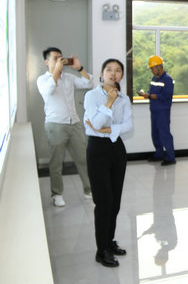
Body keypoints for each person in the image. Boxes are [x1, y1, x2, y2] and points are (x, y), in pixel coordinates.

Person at [83, 58, 132, 268]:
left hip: (117, 149)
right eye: (109, 70)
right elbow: (94, 124)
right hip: (97, 150)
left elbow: (128, 125)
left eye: (118, 70)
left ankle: (109, 241)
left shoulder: (125, 98)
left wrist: (109, 129)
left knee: (115, 201)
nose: (113, 73)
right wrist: (109, 102)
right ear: (102, 74)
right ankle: (101, 250)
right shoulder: (91, 96)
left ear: (121, 76)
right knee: (103, 202)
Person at [36, 47, 93, 207]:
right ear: (47, 62)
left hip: (74, 123)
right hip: (55, 125)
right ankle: (57, 194)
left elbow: (89, 83)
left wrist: (79, 68)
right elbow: (49, 90)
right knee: (56, 163)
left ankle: (88, 190)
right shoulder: (42, 79)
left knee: (82, 159)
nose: (60, 61)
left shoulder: (69, 77)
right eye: (55, 58)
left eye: (61, 58)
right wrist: (56, 71)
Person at [138, 55, 176, 166]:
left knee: (164, 134)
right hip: (154, 111)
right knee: (155, 134)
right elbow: (152, 93)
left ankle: (170, 157)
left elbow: (165, 96)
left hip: (163, 112)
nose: (152, 71)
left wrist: (149, 96)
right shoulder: (154, 79)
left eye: (152, 68)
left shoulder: (168, 79)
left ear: (159, 67)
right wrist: (146, 94)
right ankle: (159, 154)